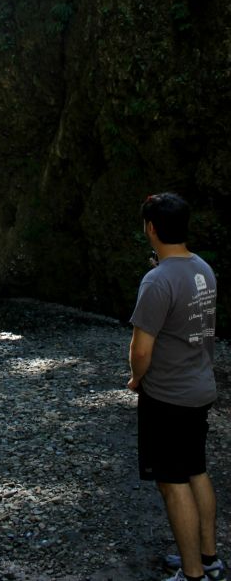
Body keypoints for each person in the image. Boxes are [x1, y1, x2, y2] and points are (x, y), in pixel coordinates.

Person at [127, 193, 226, 581]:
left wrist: (137, 378)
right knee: (197, 470)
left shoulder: (156, 281)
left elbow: (141, 349)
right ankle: (209, 558)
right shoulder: (204, 269)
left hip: (168, 395)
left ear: (151, 228)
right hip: (200, 388)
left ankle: (191, 574)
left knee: (173, 482)